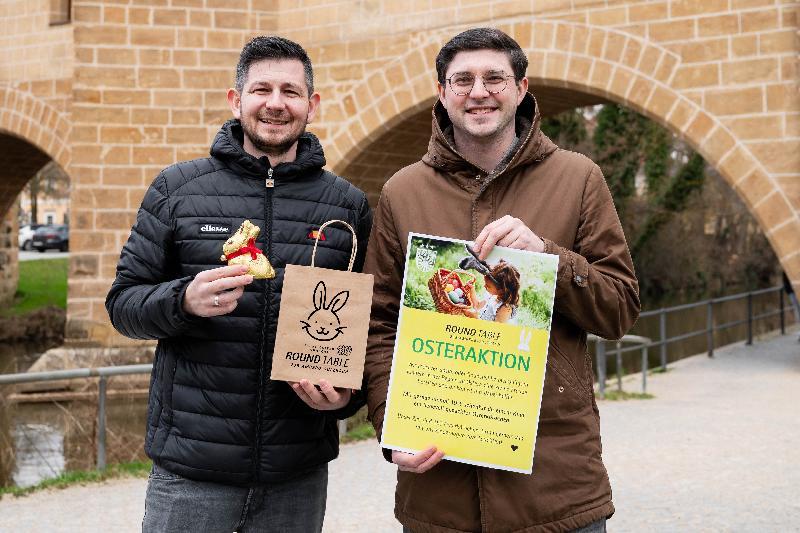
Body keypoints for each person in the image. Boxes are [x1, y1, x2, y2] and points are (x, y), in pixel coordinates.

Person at [363, 28, 640, 532]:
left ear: (521, 87)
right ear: (443, 93)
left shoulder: (578, 178)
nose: (479, 91)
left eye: (495, 77)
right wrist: (390, 425)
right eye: (462, 80)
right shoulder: (402, 192)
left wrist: (550, 259)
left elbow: (619, 308)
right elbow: (377, 326)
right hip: (440, 494)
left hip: (555, 487)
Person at [105, 36, 372, 532]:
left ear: (311, 106)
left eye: (291, 92)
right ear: (236, 100)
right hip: (191, 472)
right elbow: (123, 303)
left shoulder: (348, 206)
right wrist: (182, 299)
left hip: (296, 474)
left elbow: (363, 329)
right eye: (261, 89)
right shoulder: (177, 189)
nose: (275, 103)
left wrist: (346, 398)